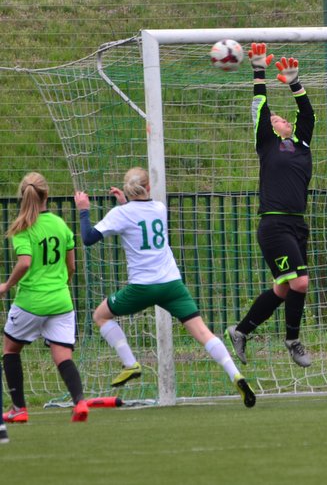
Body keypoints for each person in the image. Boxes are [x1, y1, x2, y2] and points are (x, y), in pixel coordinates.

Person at [74, 167, 256, 408]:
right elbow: (139, 217)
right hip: (172, 284)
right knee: (203, 333)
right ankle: (236, 375)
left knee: (100, 316)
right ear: (148, 187)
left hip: (142, 287)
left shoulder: (121, 214)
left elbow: (88, 238)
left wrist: (84, 210)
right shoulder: (159, 208)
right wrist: (124, 202)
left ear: (128, 189)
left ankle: (130, 364)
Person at [226, 44, 314, 368]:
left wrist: (295, 83)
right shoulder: (266, 144)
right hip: (274, 225)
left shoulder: (302, 145)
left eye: (283, 118)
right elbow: (261, 108)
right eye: (276, 118)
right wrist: (259, 71)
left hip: (297, 224)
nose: (280, 119)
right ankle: (292, 340)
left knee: (283, 288)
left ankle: (241, 330)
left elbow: (307, 114)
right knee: (300, 282)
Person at [2, 172, 88, 424]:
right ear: (46, 195)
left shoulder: (23, 228)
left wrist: (7, 285)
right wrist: (61, 285)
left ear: (23, 196)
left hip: (31, 302)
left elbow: (25, 263)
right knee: (63, 357)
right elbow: (71, 266)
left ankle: (19, 408)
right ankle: (80, 401)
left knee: (10, 350)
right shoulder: (60, 225)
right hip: (61, 302)